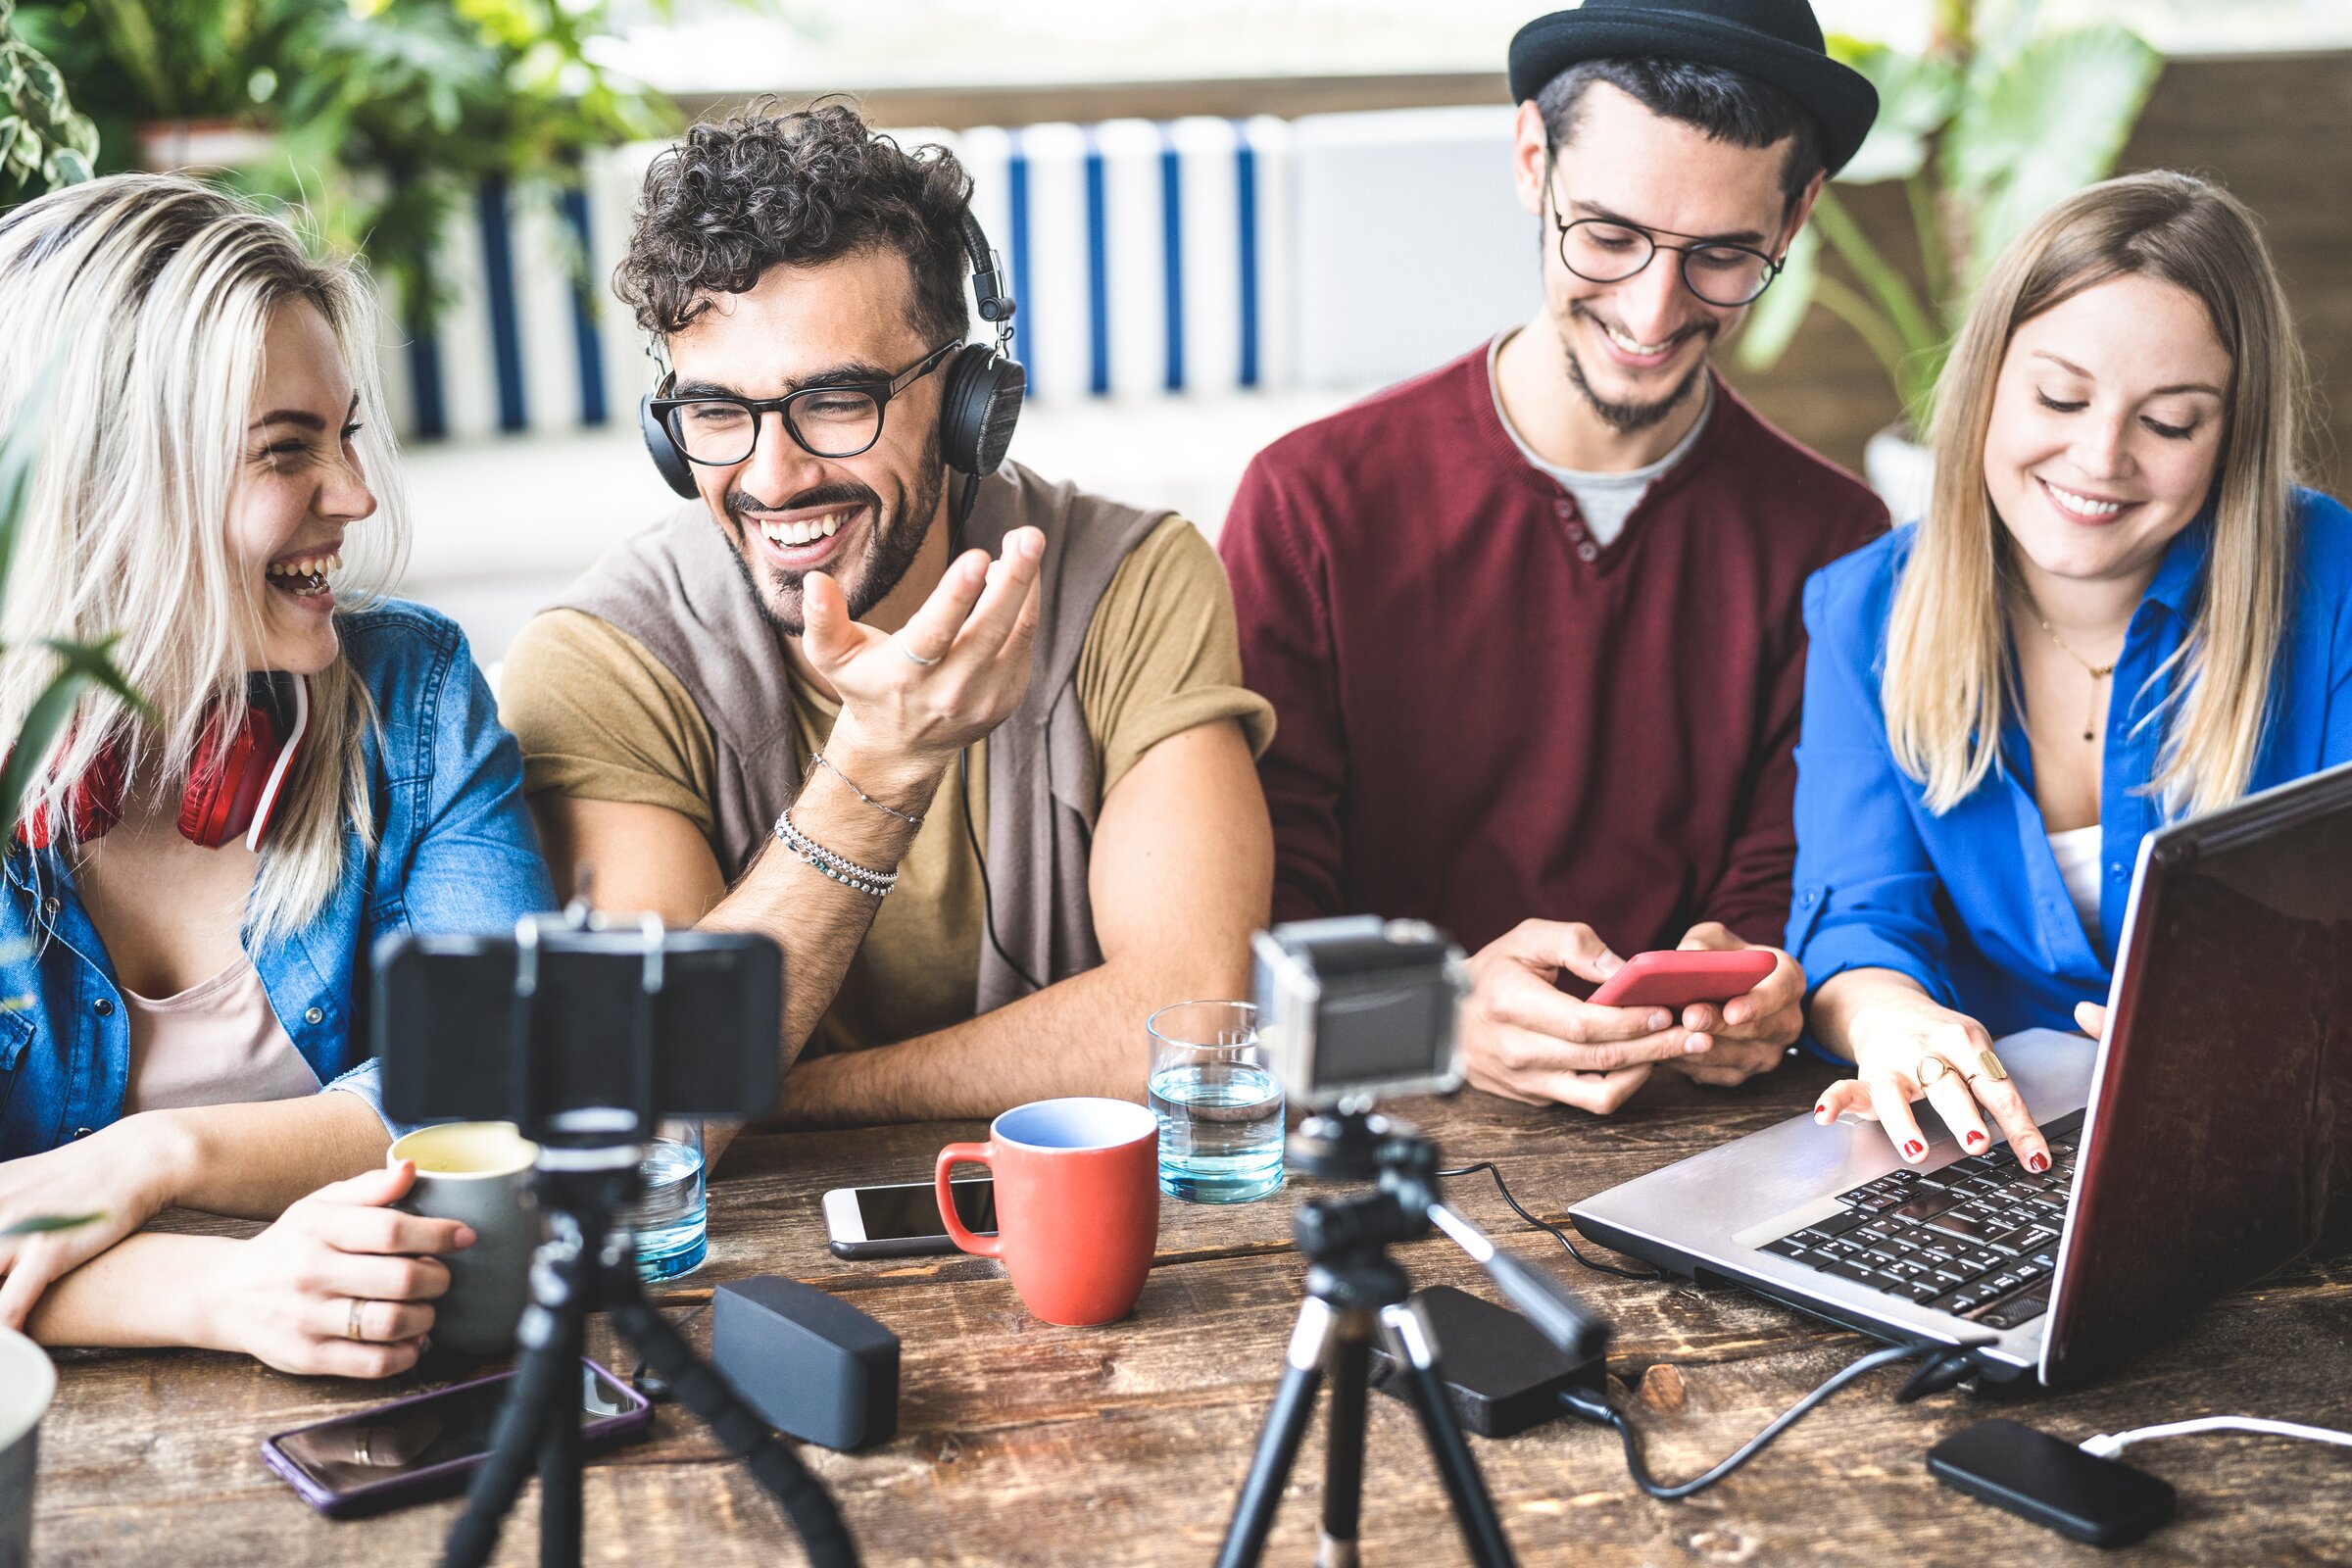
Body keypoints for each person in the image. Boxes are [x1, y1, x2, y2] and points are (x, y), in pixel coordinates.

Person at [498, 105, 1275, 1131]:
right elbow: (655, 1104)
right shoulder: (597, 662)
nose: (772, 480)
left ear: (968, 402)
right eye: (718, 413)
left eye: (834, 402)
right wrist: (879, 767)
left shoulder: (1132, 580)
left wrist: (788, 1090)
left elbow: (1195, 1018)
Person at [1219, 0, 1886, 1116]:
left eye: (1721, 256)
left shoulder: (1840, 542)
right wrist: (1440, 1011)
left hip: (1710, 1139)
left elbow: (1802, 888)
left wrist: (1766, 988)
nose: (1651, 309)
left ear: (1796, 216)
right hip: (1377, 1129)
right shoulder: (1311, 505)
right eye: (1610, 237)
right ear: (1534, 160)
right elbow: (1251, 923)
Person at [0, 174, 556, 1376]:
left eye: (345, 434)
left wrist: (157, 1154)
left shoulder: (413, 695)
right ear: (107, 488)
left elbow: (503, 1073)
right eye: (285, 451)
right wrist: (213, 1289)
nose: (353, 496)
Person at [1792, 171, 2352, 1170]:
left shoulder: (2332, 581)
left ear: (2232, 436)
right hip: (1992, 1150)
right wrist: (1892, 1022)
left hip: (2277, 1143)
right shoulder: (1863, 609)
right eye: (2060, 395)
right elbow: (1858, 917)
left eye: (2171, 421)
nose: (2100, 458)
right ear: (1988, 385)